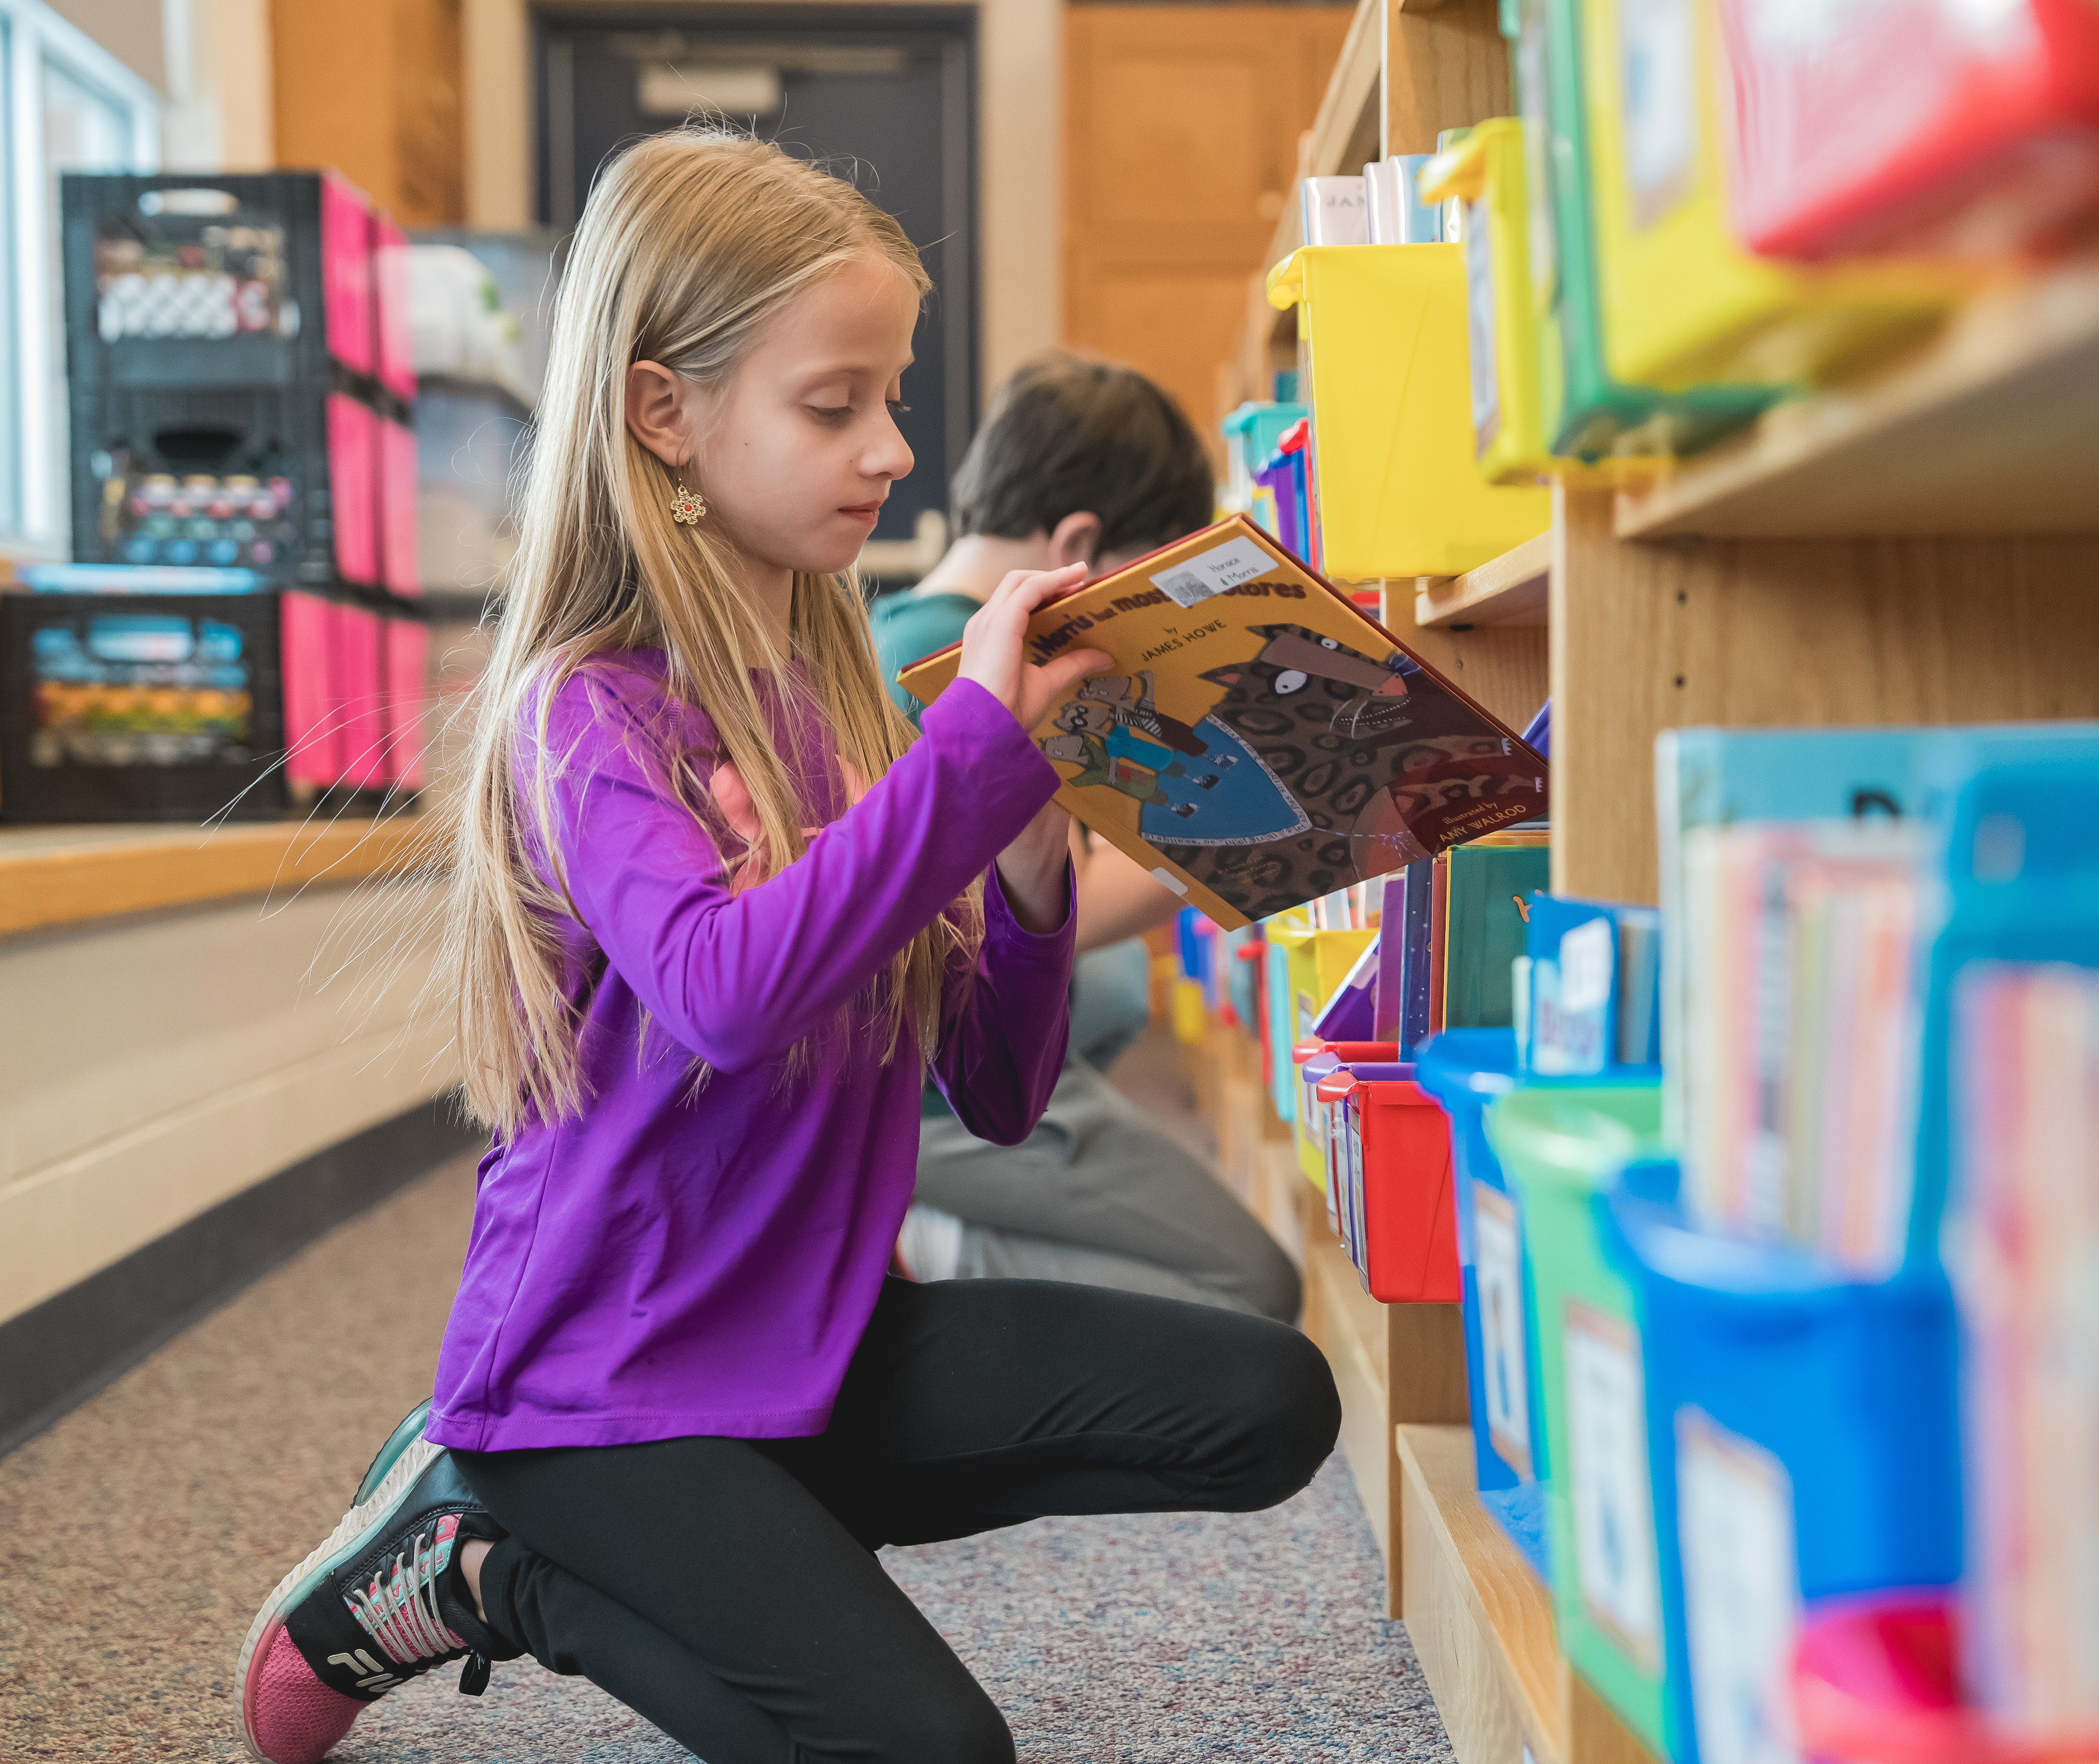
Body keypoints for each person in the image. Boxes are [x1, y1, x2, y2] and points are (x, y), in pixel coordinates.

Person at [232, 129, 1338, 1764]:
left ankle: (760, 1528)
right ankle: (492, 1561)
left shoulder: (834, 713)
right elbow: (723, 993)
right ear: (661, 412)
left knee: (1270, 1402)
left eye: (890, 398)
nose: (891, 448)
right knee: (934, 1757)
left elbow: (1000, 1091)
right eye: (835, 406)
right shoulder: (580, 717)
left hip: (810, 1341)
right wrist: (969, 759)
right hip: (594, 1391)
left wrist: (1031, 854)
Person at [870, 355, 1302, 1324]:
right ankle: (932, 1260)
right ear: (1079, 543)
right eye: (1148, 580)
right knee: (1246, 1299)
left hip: (1004, 1098)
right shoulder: (949, 666)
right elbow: (1016, 910)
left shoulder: (941, 639)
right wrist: (1265, 838)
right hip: (954, 1108)